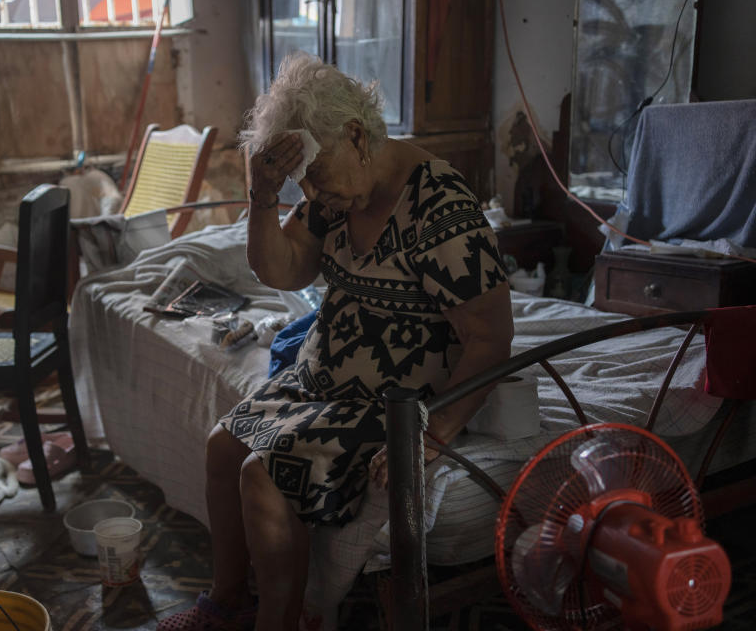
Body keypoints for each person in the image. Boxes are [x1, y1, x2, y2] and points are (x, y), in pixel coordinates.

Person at [156, 52, 514, 631]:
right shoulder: (337, 191)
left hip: (394, 405)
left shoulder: (438, 206)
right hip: (320, 379)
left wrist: (433, 433)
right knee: (223, 447)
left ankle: (284, 622)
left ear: (356, 136)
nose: (314, 194)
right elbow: (284, 271)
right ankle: (228, 603)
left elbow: (492, 337)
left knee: (260, 473)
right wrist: (263, 198)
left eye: (315, 175)